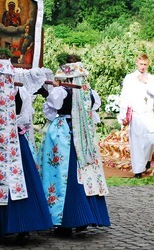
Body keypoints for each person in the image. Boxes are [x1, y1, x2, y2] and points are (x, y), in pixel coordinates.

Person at [0, 50, 52, 242]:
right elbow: (24, 119)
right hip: (16, 144)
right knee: (20, 180)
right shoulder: (20, 91)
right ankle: (23, 225)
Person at [40, 56, 110, 236]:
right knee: (84, 172)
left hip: (64, 133)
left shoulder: (60, 92)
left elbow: (49, 113)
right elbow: (93, 115)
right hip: (85, 135)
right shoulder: (90, 93)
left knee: (65, 173)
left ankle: (66, 220)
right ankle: (87, 215)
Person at [118, 53, 154, 177]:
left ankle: (146, 160)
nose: (143, 67)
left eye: (145, 64)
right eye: (141, 64)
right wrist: (123, 115)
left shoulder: (151, 78)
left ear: (148, 65)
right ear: (137, 63)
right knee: (137, 142)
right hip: (136, 113)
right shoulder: (129, 78)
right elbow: (124, 96)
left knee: (150, 140)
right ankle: (138, 170)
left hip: (148, 113)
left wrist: (147, 82)